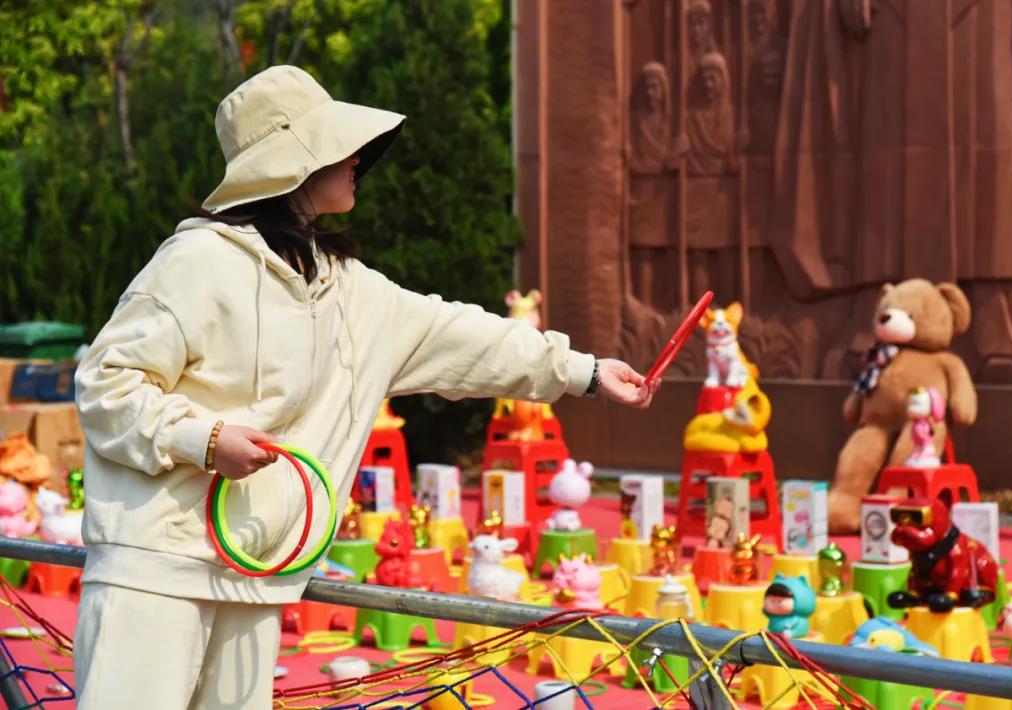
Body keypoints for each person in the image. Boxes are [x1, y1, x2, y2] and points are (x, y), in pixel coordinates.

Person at [72, 65, 659, 709]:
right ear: (295, 163)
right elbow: (106, 385)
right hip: (155, 574)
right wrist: (206, 440)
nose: (357, 157)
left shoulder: (352, 290)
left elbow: (465, 337)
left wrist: (586, 372)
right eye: (338, 143)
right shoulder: (196, 263)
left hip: (257, 578)